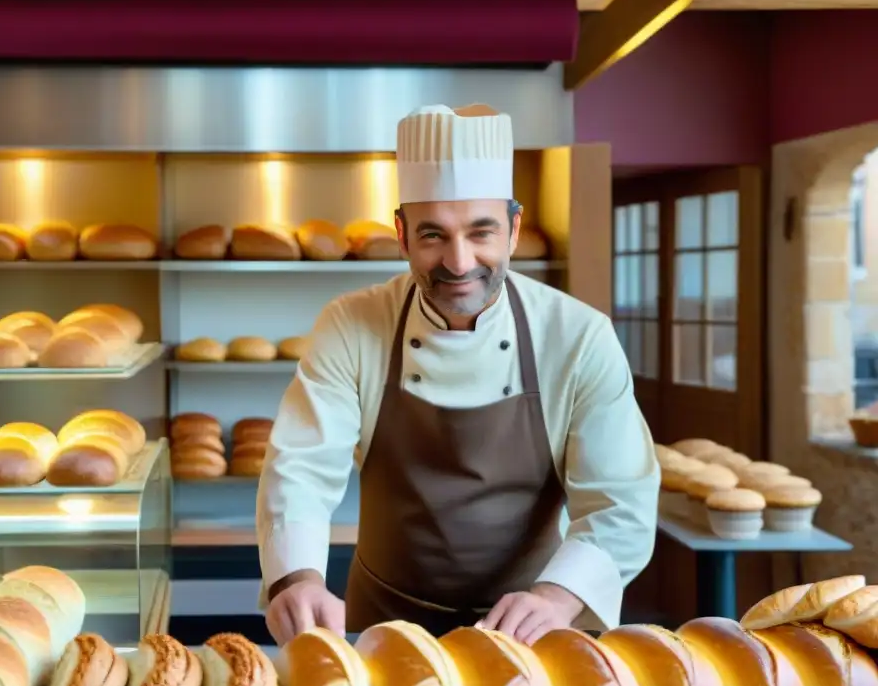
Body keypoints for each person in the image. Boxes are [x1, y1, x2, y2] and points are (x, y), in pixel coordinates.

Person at [256, 104, 659, 646]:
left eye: (481, 232)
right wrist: (297, 576)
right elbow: (301, 466)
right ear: (401, 236)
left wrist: (558, 596)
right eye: (433, 236)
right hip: (384, 619)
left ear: (514, 231)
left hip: (535, 624)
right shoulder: (351, 324)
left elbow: (621, 501)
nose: (460, 261)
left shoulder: (579, 336)